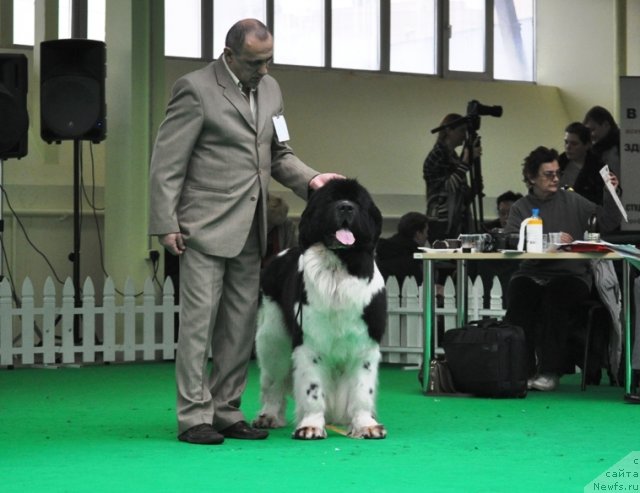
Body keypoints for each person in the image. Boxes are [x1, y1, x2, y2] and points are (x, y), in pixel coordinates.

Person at [148, 18, 342, 445]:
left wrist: (312, 181)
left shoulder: (271, 90)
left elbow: (278, 153)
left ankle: (226, 410)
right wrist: (165, 223)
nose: (265, 70)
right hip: (200, 226)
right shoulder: (194, 88)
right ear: (230, 55)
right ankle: (193, 416)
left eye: (270, 60)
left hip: (252, 225)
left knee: (239, 326)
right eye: (256, 62)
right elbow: (167, 161)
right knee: (199, 326)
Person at [503, 146, 622, 391]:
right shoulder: (520, 208)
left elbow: (608, 222)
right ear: (531, 177)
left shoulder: (574, 201)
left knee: (556, 300)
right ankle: (521, 369)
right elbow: (510, 239)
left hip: (571, 274)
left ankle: (550, 370)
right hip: (531, 272)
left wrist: (610, 192)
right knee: (519, 297)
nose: (556, 178)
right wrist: (549, 241)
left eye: (557, 173)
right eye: (548, 174)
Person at [423, 113, 481, 242]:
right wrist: (466, 162)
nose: (464, 135)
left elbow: (460, 193)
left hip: (455, 222)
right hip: (441, 223)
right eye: (461, 130)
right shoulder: (437, 156)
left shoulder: (453, 156)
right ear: (448, 130)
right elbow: (448, 188)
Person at [375, 212, 428, 288]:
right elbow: (419, 286)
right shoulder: (412, 258)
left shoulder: (385, 250)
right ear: (418, 234)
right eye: (426, 232)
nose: (427, 236)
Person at [558, 121, 606, 204]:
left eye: (574, 144)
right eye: (566, 142)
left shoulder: (599, 171)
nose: (568, 147)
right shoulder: (559, 162)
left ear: (587, 145)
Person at [583, 106, 620, 178]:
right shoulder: (593, 151)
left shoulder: (623, 146)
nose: (590, 135)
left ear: (606, 125)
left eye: (592, 130)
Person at [262, 193, 297, 267]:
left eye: (274, 225)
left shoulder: (287, 225)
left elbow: (292, 251)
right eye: (269, 224)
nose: (269, 228)